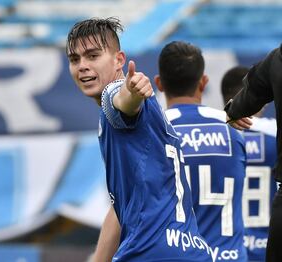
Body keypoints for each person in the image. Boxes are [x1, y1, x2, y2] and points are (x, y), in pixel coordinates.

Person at [66, 17, 212, 261]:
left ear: (119, 60)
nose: (82, 66)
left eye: (92, 56)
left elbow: (121, 102)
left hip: (149, 252)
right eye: (74, 59)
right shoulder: (153, 117)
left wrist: (131, 93)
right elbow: (120, 209)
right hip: (191, 250)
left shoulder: (115, 94)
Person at [155, 41, 247, 261]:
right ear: (204, 82)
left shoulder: (155, 133)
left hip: (178, 256)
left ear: (159, 84)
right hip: (230, 257)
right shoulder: (233, 130)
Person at [224, 46, 282, 262]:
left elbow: (252, 92)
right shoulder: (270, 131)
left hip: (225, 249)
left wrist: (232, 112)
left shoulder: (277, 58)